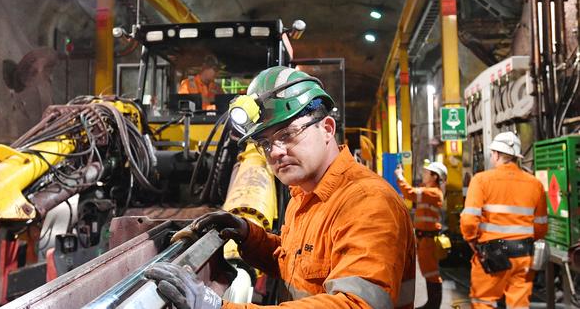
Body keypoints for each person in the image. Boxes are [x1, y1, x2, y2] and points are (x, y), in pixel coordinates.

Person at [145, 66, 416, 308]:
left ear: (327, 128)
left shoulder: (368, 202)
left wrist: (215, 307)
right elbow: (297, 265)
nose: (275, 152)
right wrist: (247, 234)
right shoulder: (303, 196)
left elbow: (356, 305)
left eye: (287, 134)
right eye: (265, 143)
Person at [460, 132, 548, 309]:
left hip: (492, 254)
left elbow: (469, 220)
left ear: (497, 155)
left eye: (493, 153)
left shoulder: (481, 180)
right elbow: (541, 226)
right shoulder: (535, 184)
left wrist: (471, 239)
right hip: (523, 254)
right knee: (519, 305)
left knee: (484, 302)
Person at [395, 161, 448, 309]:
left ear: (435, 177)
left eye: (427, 173)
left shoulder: (433, 193)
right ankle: (431, 303)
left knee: (431, 272)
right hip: (424, 238)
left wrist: (400, 177)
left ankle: (433, 304)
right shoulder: (429, 192)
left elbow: (409, 193)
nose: (424, 175)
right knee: (427, 271)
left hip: (428, 239)